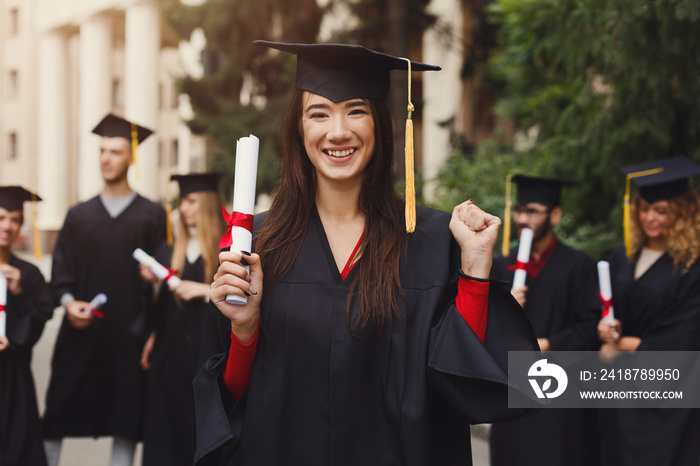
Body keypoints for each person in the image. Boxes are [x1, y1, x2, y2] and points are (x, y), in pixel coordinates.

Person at [193, 40, 541, 466]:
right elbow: (228, 400)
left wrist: (474, 269)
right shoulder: (255, 244)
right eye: (318, 113)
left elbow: (461, 385)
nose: (337, 131)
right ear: (298, 129)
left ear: (379, 124)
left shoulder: (431, 239)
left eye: (355, 110)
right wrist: (244, 331)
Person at [42, 114, 166, 466]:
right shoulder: (78, 215)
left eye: (115, 151)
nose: (106, 158)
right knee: (59, 408)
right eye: (102, 151)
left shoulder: (152, 215)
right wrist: (67, 303)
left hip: (129, 335)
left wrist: (153, 325)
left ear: (131, 158)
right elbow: (62, 271)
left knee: (126, 417)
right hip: (81, 334)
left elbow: (163, 277)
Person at [489, 174, 601, 466]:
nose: (523, 219)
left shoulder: (578, 266)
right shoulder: (501, 265)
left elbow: (591, 327)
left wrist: (547, 344)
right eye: (520, 211)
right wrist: (505, 308)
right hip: (513, 389)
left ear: (556, 215)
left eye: (533, 211)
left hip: (561, 391)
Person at [597, 156, 700, 465]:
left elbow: (687, 331)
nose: (649, 217)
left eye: (661, 210)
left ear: (683, 213)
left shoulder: (692, 266)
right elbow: (602, 306)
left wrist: (623, 343)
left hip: (668, 388)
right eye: (643, 209)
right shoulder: (624, 253)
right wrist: (604, 328)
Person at [140, 172, 225, 466]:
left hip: (208, 352)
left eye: (191, 201)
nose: (184, 208)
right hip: (171, 351)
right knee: (167, 428)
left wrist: (206, 291)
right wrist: (152, 335)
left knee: (200, 426)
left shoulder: (226, 249)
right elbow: (163, 306)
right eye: (181, 202)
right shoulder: (169, 249)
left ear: (208, 203)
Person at [0, 187, 53, 466]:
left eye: (15, 219)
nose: (7, 226)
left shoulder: (28, 274)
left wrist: (19, 293)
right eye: (1, 217)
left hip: (14, 379)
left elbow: (39, 319)